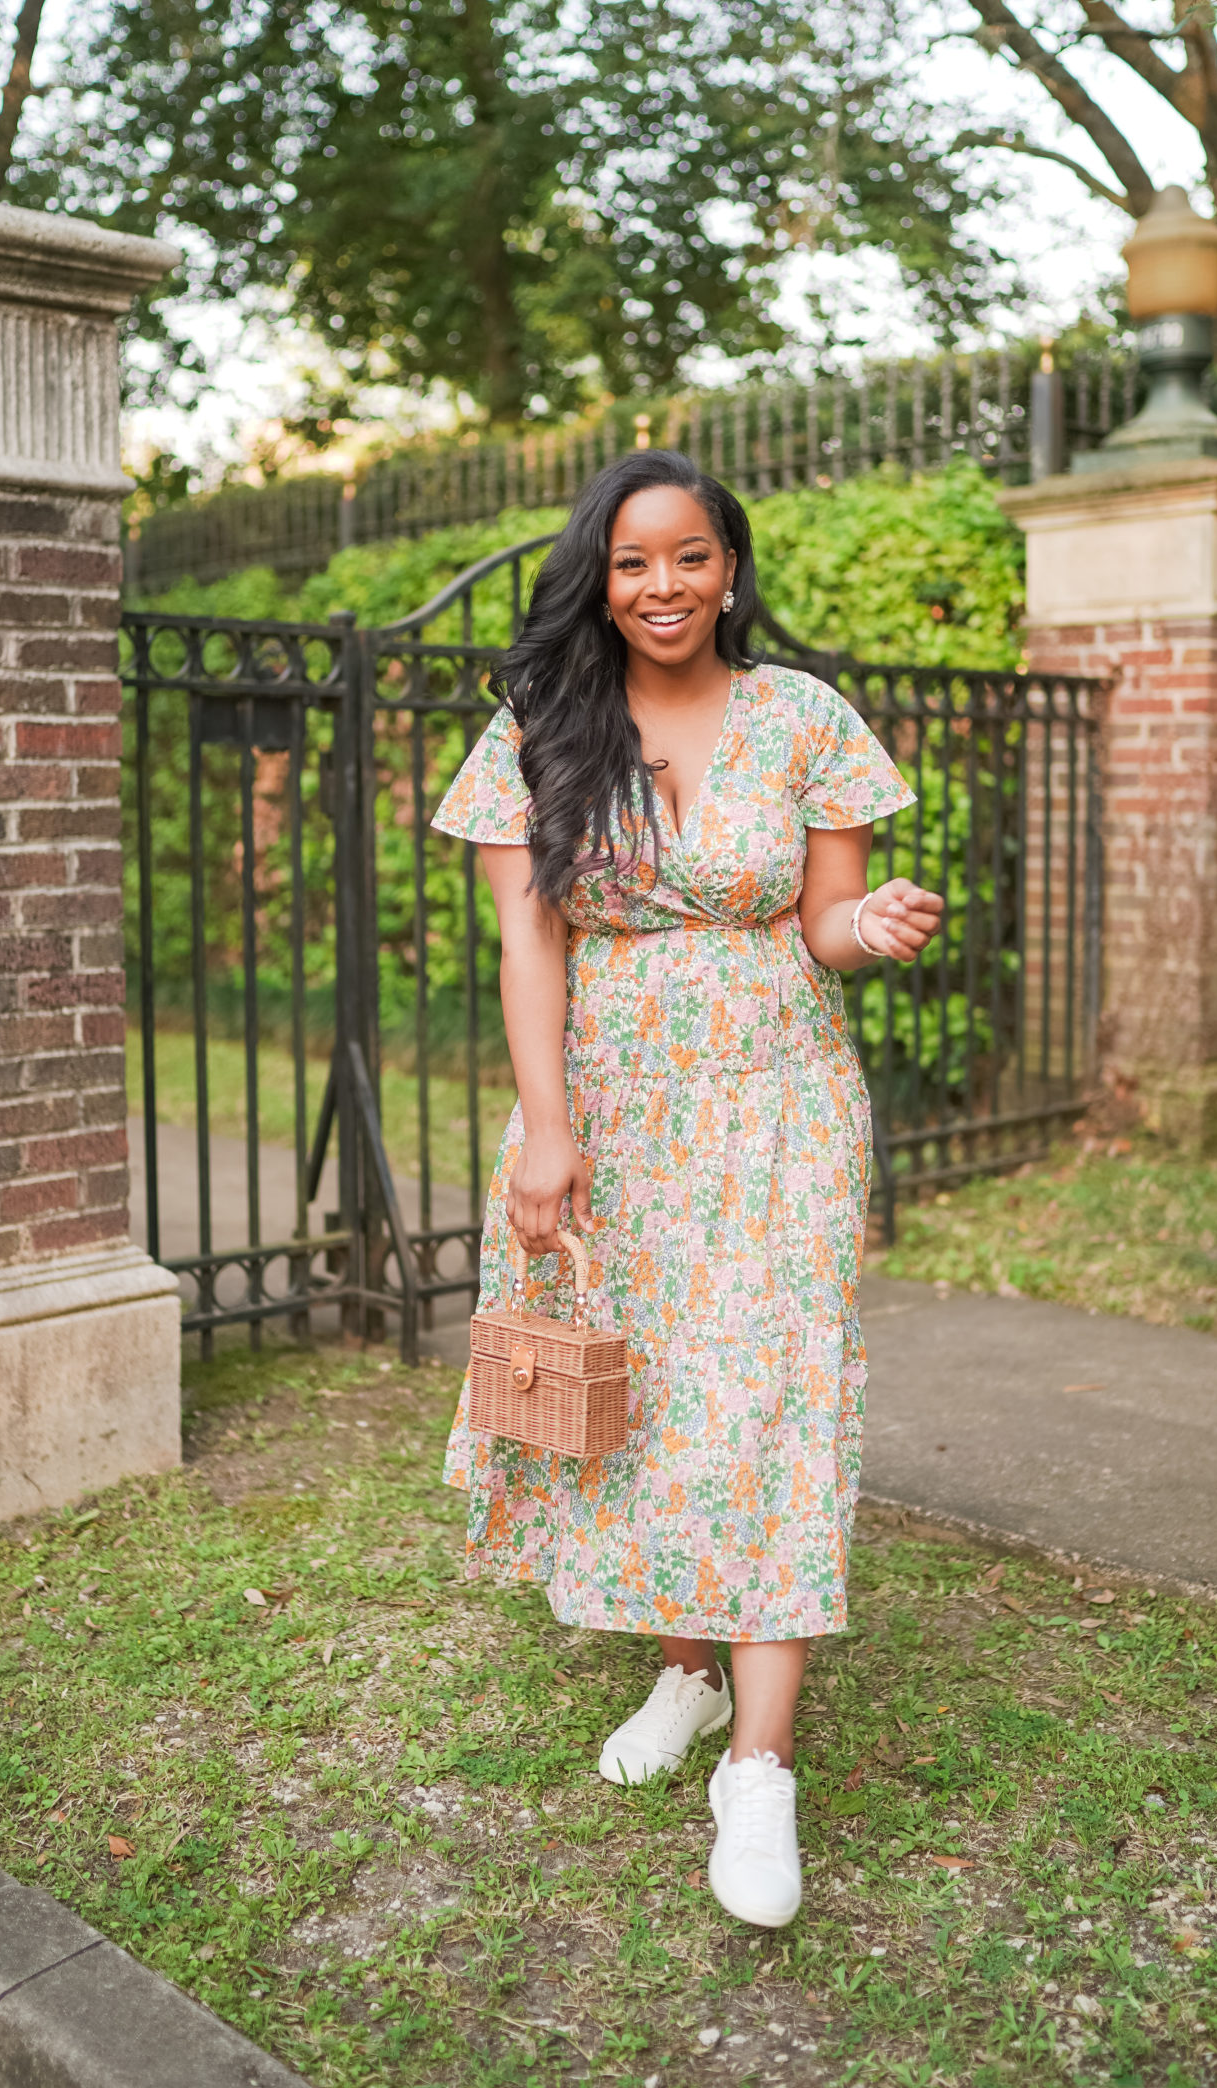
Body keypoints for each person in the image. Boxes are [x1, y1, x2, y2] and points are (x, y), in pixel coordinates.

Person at [431, 450, 943, 1929]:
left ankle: (763, 1770)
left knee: (770, 1392)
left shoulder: (804, 718)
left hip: (783, 1101)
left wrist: (871, 920)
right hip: (616, 1108)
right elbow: (532, 945)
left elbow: (823, 922)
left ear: (730, 568)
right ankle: (684, 1670)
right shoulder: (542, 724)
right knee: (654, 1395)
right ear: (601, 573)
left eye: (692, 557)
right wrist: (545, 1132)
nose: (665, 586)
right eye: (636, 561)